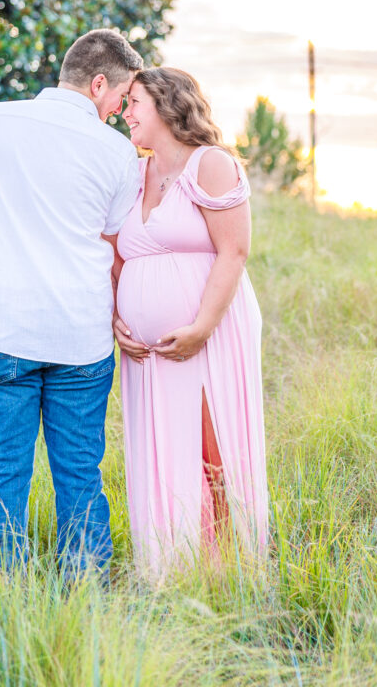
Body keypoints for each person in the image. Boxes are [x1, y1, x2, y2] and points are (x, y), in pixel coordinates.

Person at [0, 29, 144, 581]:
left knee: (2, 471)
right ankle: (86, 600)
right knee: (79, 471)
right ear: (99, 84)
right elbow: (115, 246)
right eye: (120, 99)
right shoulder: (118, 152)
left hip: (2, 328)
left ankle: (3, 598)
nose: (120, 112)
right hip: (82, 335)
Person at [111, 67, 268, 579]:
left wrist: (201, 326)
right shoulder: (133, 175)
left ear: (166, 103)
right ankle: (172, 567)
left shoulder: (211, 165)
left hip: (209, 335)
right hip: (147, 352)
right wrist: (117, 317)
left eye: (134, 101)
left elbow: (235, 251)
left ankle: (232, 571)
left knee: (210, 448)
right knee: (161, 450)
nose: (125, 111)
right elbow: (114, 257)